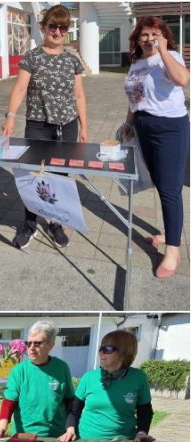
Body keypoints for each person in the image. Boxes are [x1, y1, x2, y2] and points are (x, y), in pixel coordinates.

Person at [1, 5, 86, 250]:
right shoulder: (32, 57)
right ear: (43, 27)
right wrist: (10, 116)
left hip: (67, 127)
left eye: (62, 27)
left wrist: (84, 127)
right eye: (53, 26)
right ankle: (29, 226)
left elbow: (79, 96)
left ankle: (56, 224)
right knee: (32, 177)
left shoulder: (73, 59)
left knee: (59, 177)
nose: (57, 32)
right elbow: (19, 89)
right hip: (38, 127)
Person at [120, 16, 189, 279]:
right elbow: (134, 97)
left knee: (170, 189)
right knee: (161, 184)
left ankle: (173, 250)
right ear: (137, 38)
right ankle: (170, 233)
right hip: (143, 125)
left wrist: (163, 50)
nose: (149, 39)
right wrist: (128, 123)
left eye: (154, 34)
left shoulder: (170, 56)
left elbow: (183, 80)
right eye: (144, 35)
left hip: (170, 128)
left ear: (163, 36)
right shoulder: (136, 64)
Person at [60, 330, 155, 442]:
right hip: (87, 440)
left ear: (125, 352)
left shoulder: (138, 377)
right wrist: (70, 430)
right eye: (101, 348)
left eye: (108, 349)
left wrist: (142, 432)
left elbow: (145, 412)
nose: (101, 353)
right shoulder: (88, 377)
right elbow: (74, 411)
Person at [0, 321, 75, 438]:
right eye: (28, 343)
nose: (31, 348)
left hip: (57, 436)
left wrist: (70, 429)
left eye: (37, 343)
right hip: (25, 436)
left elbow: (70, 402)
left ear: (51, 345)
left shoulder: (62, 367)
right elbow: (9, 403)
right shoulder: (19, 370)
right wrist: (2, 427)